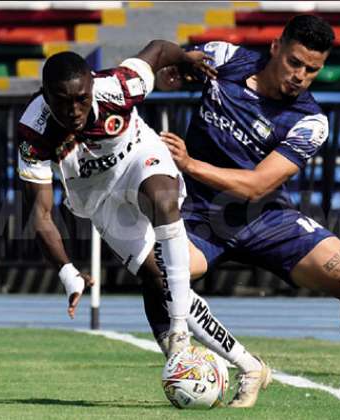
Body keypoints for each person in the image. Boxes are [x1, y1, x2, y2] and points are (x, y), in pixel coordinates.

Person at [156, 15, 340, 411]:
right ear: (275, 48)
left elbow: (257, 185)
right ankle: (197, 359)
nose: (300, 76)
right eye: (295, 63)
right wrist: (172, 77)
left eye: (312, 70)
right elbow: (166, 73)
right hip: (198, 214)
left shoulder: (310, 121)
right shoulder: (225, 58)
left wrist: (190, 164)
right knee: (160, 273)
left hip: (265, 218)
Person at [16, 42, 270, 405]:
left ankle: (180, 332)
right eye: (62, 101)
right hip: (96, 197)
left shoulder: (119, 85)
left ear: (92, 85)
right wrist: (67, 272)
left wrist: (185, 58)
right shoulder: (33, 134)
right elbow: (39, 213)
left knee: (163, 200)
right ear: (44, 95)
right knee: (155, 278)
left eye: (81, 99)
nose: (74, 110)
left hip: (138, 157)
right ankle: (249, 365)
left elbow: (158, 50)